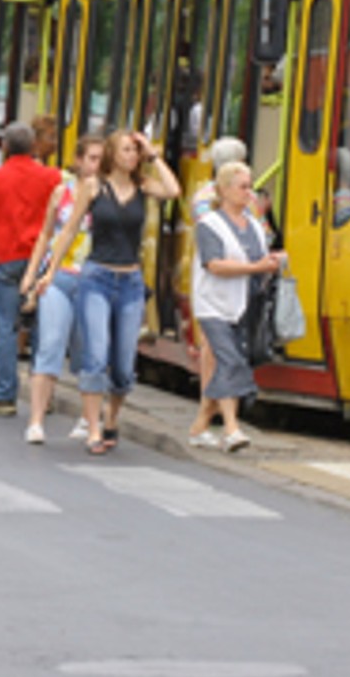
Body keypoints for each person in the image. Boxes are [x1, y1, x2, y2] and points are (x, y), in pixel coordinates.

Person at [45, 128, 181, 453]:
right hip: (96, 278)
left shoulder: (143, 186)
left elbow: (173, 191)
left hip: (131, 283)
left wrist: (154, 155)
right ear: (111, 153)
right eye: (125, 150)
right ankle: (93, 428)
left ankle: (111, 418)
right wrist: (50, 271)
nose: (131, 156)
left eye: (135, 152)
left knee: (122, 364)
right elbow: (69, 230)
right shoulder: (93, 187)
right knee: (96, 353)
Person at [190, 160, 287, 451]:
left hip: (245, 304)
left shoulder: (255, 226)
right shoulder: (210, 225)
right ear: (225, 190)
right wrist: (256, 267)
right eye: (244, 187)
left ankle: (201, 423)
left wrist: (272, 262)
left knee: (231, 362)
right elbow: (214, 265)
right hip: (214, 305)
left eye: (251, 187)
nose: (250, 193)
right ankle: (232, 428)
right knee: (231, 361)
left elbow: (259, 259)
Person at [0, 122, 61, 418]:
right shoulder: (53, 178)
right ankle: (42, 397)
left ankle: (5, 397)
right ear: (34, 146)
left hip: (4, 258)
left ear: (4, 147)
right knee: (41, 329)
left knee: (6, 327)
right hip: (41, 260)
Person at [19, 134, 103, 445]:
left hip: (94, 280)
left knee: (89, 350)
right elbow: (46, 234)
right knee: (51, 343)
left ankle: (87, 417)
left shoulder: (109, 195)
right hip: (59, 277)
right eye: (92, 158)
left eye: (102, 159)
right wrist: (32, 272)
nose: (97, 165)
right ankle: (36, 420)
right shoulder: (62, 192)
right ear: (79, 161)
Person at [184, 137, 248, 443]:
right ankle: (226, 426)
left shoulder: (220, 197)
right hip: (215, 289)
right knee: (217, 354)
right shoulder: (213, 201)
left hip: (236, 291)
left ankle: (203, 422)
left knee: (219, 354)